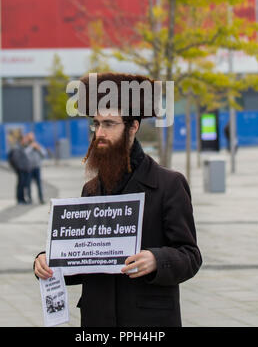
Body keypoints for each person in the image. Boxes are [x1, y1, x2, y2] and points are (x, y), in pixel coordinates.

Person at [34, 72, 202, 327]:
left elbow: (190, 256)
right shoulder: (91, 189)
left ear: (132, 126)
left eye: (109, 124)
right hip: (97, 320)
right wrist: (48, 262)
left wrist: (157, 259)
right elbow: (84, 259)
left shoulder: (169, 184)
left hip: (148, 322)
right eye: (96, 123)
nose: (99, 133)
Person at [7, 134, 31, 205]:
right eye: (25, 140)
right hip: (21, 170)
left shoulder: (21, 147)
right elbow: (16, 160)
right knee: (20, 185)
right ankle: (20, 200)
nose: (26, 141)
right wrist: (21, 168)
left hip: (24, 169)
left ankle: (23, 199)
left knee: (23, 185)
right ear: (21, 140)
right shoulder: (17, 148)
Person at [24, 132, 47, 204]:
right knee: (28, 184)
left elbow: (44, 154)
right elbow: (25, 154)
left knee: (39, 184)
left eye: (32, 137)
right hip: (29, 168)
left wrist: (38, 148)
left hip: (37, 167)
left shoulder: (38, 145)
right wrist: (31, 147)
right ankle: (29, 199)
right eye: (30, 137)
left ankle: (41, 198)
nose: (31, 138)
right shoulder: (26, 146)